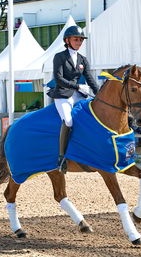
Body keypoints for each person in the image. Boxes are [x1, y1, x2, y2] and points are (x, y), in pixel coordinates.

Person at [48, 25, 99, 172]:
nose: (79, 42)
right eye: (76, 39)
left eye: (80, 40)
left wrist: (99, 93)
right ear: (67, 40)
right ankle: (62, 157)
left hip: (78, 94)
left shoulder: (83, 59)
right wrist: (76, 87)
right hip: (63, 94)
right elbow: (58, 78)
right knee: (69, 121)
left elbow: (89, 78)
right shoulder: (59, 57)